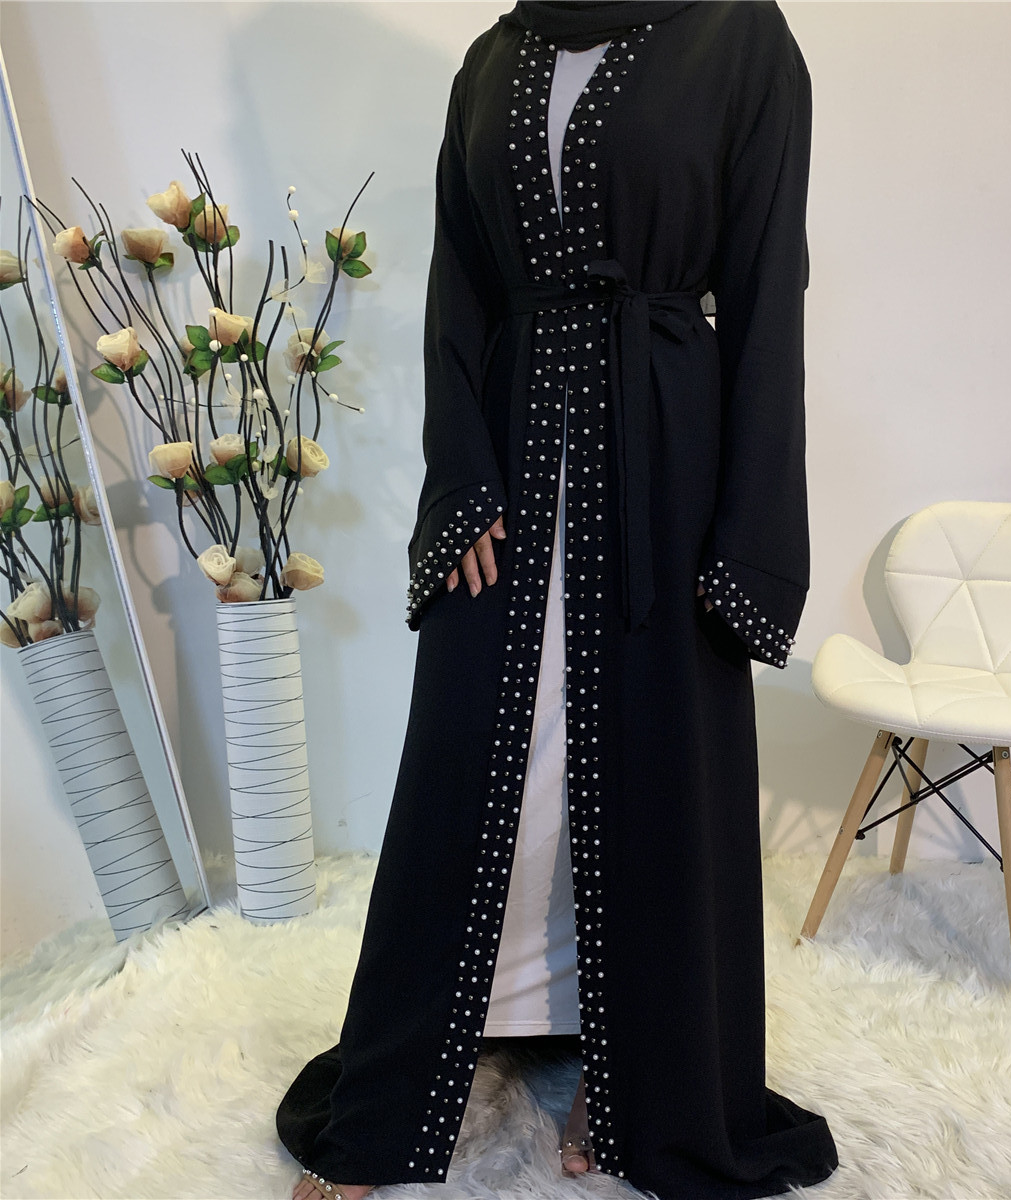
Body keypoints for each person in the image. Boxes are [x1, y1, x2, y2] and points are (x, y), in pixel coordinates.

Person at [280, 3, 839, 1198]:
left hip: (664, 460)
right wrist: (460, 478)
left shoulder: (739, 36)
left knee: (648, 770)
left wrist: (747, 534)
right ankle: (409, 1080)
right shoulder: (494, 58)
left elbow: (766, 287)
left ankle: (638, 1073)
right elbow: (460, 290)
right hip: (516, 443)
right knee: (478, 772)